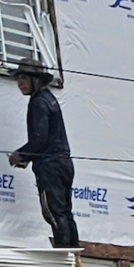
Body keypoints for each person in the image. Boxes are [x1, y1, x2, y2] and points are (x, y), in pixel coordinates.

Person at [7, 59, 80, 249]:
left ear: (36, 80)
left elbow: (40, 139)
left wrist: (20, 155)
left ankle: (65, 254)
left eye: (24, 78)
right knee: (64, 212)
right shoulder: (49, 99)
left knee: (54, 213)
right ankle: (74, 256)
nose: (20, 83)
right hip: (63, 162)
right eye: (18, 79)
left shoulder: (39, 102)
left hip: (51, 165)